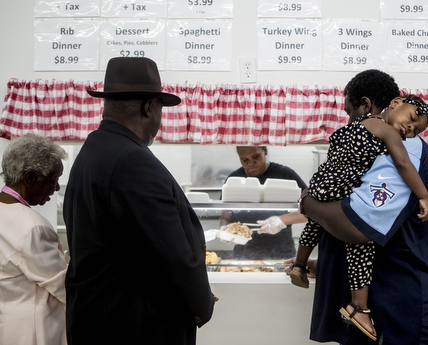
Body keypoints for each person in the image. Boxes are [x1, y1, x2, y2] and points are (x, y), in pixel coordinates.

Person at [64, 57, 215, 345]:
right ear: (149, 107)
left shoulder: (92, 150)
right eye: (160, 109)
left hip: (96, 319)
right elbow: (171, 256)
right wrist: (201, 303)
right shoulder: (132, 161)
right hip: (133, 325)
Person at [295, 94, 428, 344]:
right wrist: (325, 265)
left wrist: (306, 203)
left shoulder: (401, 150)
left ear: (367, 104)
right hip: (386, 296)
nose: (352, 122)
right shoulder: (376, 145)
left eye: (350, 112)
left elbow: (358, 228)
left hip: (401, 301)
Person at [0, 133, 68, 345]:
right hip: (35, 331)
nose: (56, 188)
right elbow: (65, 287)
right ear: (30, 178)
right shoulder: (32, 227)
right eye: (54, 180)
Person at [220, 146, 308, 260]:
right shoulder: (234, 179)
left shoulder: (286, 175)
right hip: (244, 256)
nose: (251, 163)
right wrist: (224, 229)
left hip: (282, 255)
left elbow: (311, 210)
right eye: (244, 160)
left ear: (265, 150)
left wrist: (281, 220)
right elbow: (226, 216)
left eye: (255, 157)